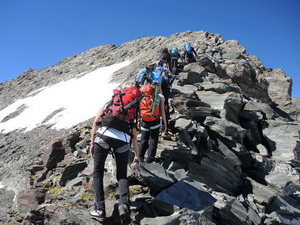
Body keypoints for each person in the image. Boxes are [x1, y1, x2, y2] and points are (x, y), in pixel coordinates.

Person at [89, 88, 141, 222]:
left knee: (98, 173)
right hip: (123, 140)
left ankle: (100, 209)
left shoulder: (109, 103)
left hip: (104, 136)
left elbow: (95, 122)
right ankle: (123, 205)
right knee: (122, 175)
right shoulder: (132, 109)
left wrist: (92, 143)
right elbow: (134, 136)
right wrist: (137, 155)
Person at [138, 82, 167, 163]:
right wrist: (165, 123)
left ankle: (140, 157)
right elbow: (162, 111)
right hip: (155, 121)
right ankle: (150, 159)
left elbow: (139, 110)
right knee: (153, 139)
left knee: (144, 139)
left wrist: (138, 120)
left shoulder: (141, 97)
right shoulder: (159, 97)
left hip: (144, 121)